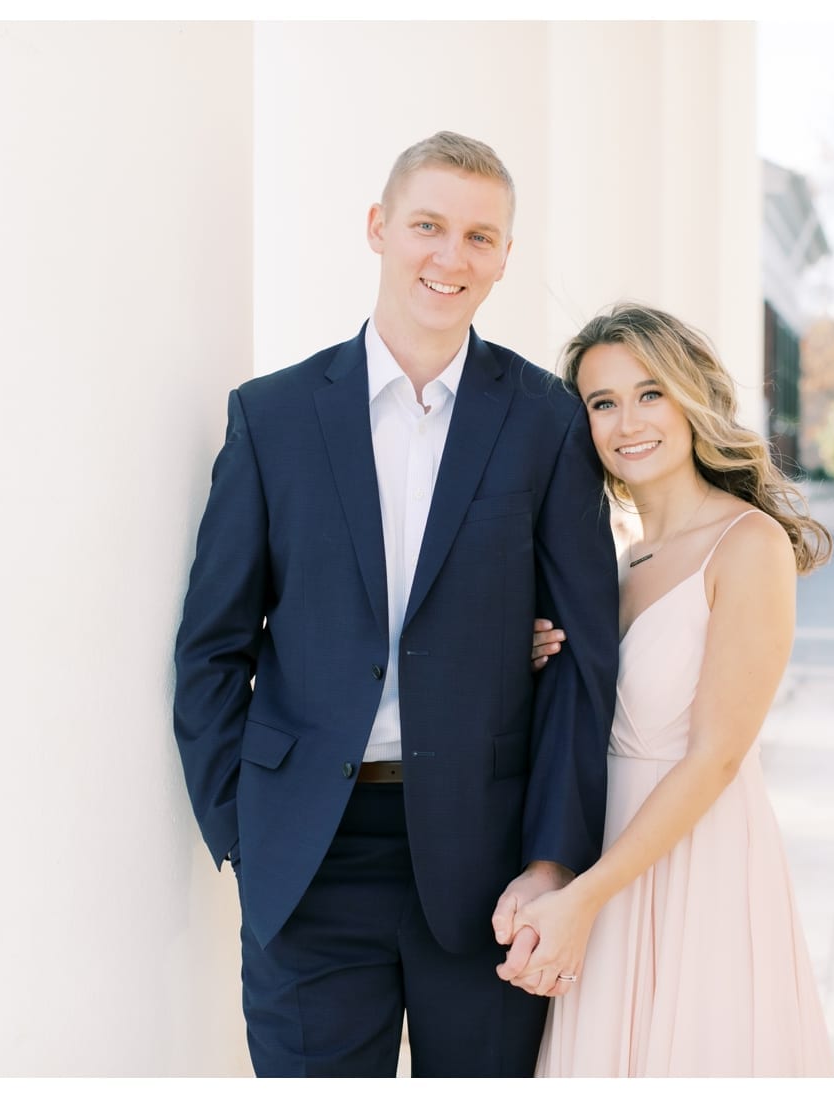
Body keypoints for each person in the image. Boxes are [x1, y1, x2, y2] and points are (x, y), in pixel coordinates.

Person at [172, 132, 619, 1077]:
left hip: (489, 865)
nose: (450, 258)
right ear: (379, 228)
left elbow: (584, 656)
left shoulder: (546, 422)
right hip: (307, 858)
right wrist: (245, 828)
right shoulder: (274, 417)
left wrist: (550, 860)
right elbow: (213, 644)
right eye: (428, 225)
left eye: (479, 237)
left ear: (505, 258)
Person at [494, 303, 834, 1076]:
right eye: (602, 402)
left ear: (694, 398)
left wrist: (585, 899)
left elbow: (715, 758)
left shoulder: (745, 545)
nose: (627, 421)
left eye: (651, 392)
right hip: (604, 854)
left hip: (694, 862)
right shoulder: (617, 560)